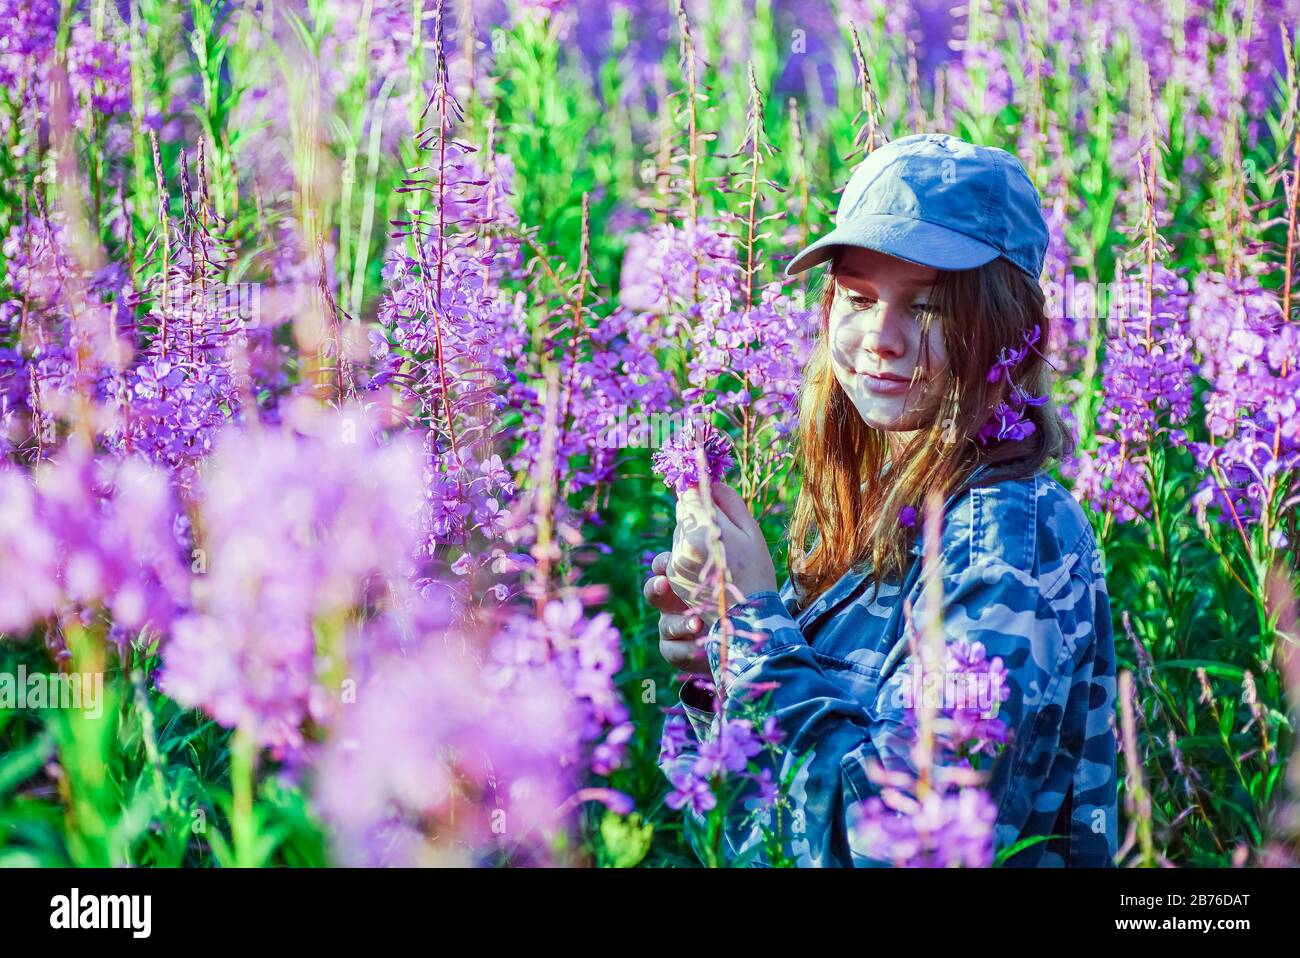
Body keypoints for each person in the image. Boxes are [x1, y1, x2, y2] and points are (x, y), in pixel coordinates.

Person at [647, 133, 1118, 867]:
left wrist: (753, 620)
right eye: (860, 298)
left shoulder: (1005, 534)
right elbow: (751, 830)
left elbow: (898, 848)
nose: (881, 339)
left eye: (928, 309)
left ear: (1010, 332)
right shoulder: (893, 509)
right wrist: (720, 668)